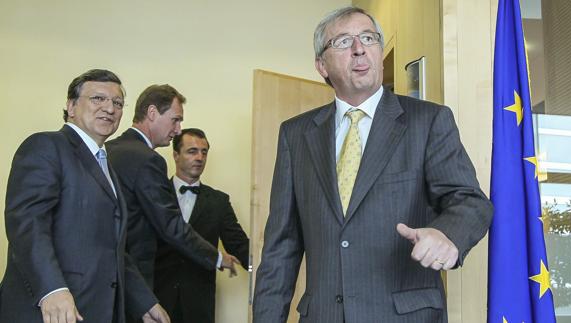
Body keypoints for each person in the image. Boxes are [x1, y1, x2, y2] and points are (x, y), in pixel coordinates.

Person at [252, 6, 493, 323]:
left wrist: (447, 235)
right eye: (343, 42)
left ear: (379, 52)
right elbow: (281, 246)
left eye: (368, 37)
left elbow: (470, 200)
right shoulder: (295, 134)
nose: (358, 48)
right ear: (321, 66)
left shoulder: (429, 121)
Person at [0, 69, 169, 323]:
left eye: (117, 103)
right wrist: (52, 289)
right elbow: (27, 224)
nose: (109, 108)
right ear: (71, 106)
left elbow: (112, 249)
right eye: (98, 99)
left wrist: (145, 301)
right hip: (49, 312)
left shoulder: (106, 165)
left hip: (98, 311)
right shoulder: (46, 146)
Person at [105, 85, 239, 320]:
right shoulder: (148, 160)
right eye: (175, 120)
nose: (177, 130)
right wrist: (218, 257)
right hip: (136, 283)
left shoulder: (109, 150)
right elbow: (170, 226)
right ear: (153, 113)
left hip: (107, 282)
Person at [153, 128, 250, 323]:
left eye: (204, 152)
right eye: (192, 151)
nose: (200, 157)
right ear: (175, 155)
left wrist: (267, 268)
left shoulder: (218, 201)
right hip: (157, 301)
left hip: (198, 305)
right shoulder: (155, 195)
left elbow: (239, 245)